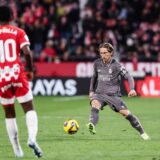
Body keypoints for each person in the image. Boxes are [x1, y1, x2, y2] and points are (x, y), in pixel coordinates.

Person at [0, 5, 43, 157]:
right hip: (17, 73)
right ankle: (31, 138)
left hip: (2, 77)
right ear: (11, 16)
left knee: (9, 112)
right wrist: (30, 70)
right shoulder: (19, 32)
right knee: (29, 108)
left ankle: (17, 150)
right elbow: (27, 53)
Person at [86, 42, 150, 140]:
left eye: (105, 53)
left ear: (111, 52)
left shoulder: (117, 66)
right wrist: (91, 90)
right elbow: (94, 77)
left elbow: (128, 76)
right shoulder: (97, 63)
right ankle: (92, 124)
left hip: (113, 95)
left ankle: (142, 133)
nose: (102, 55)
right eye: (101, 53)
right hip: (99, 93)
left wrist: (132, 89)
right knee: (95, 104)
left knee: (126, 114)